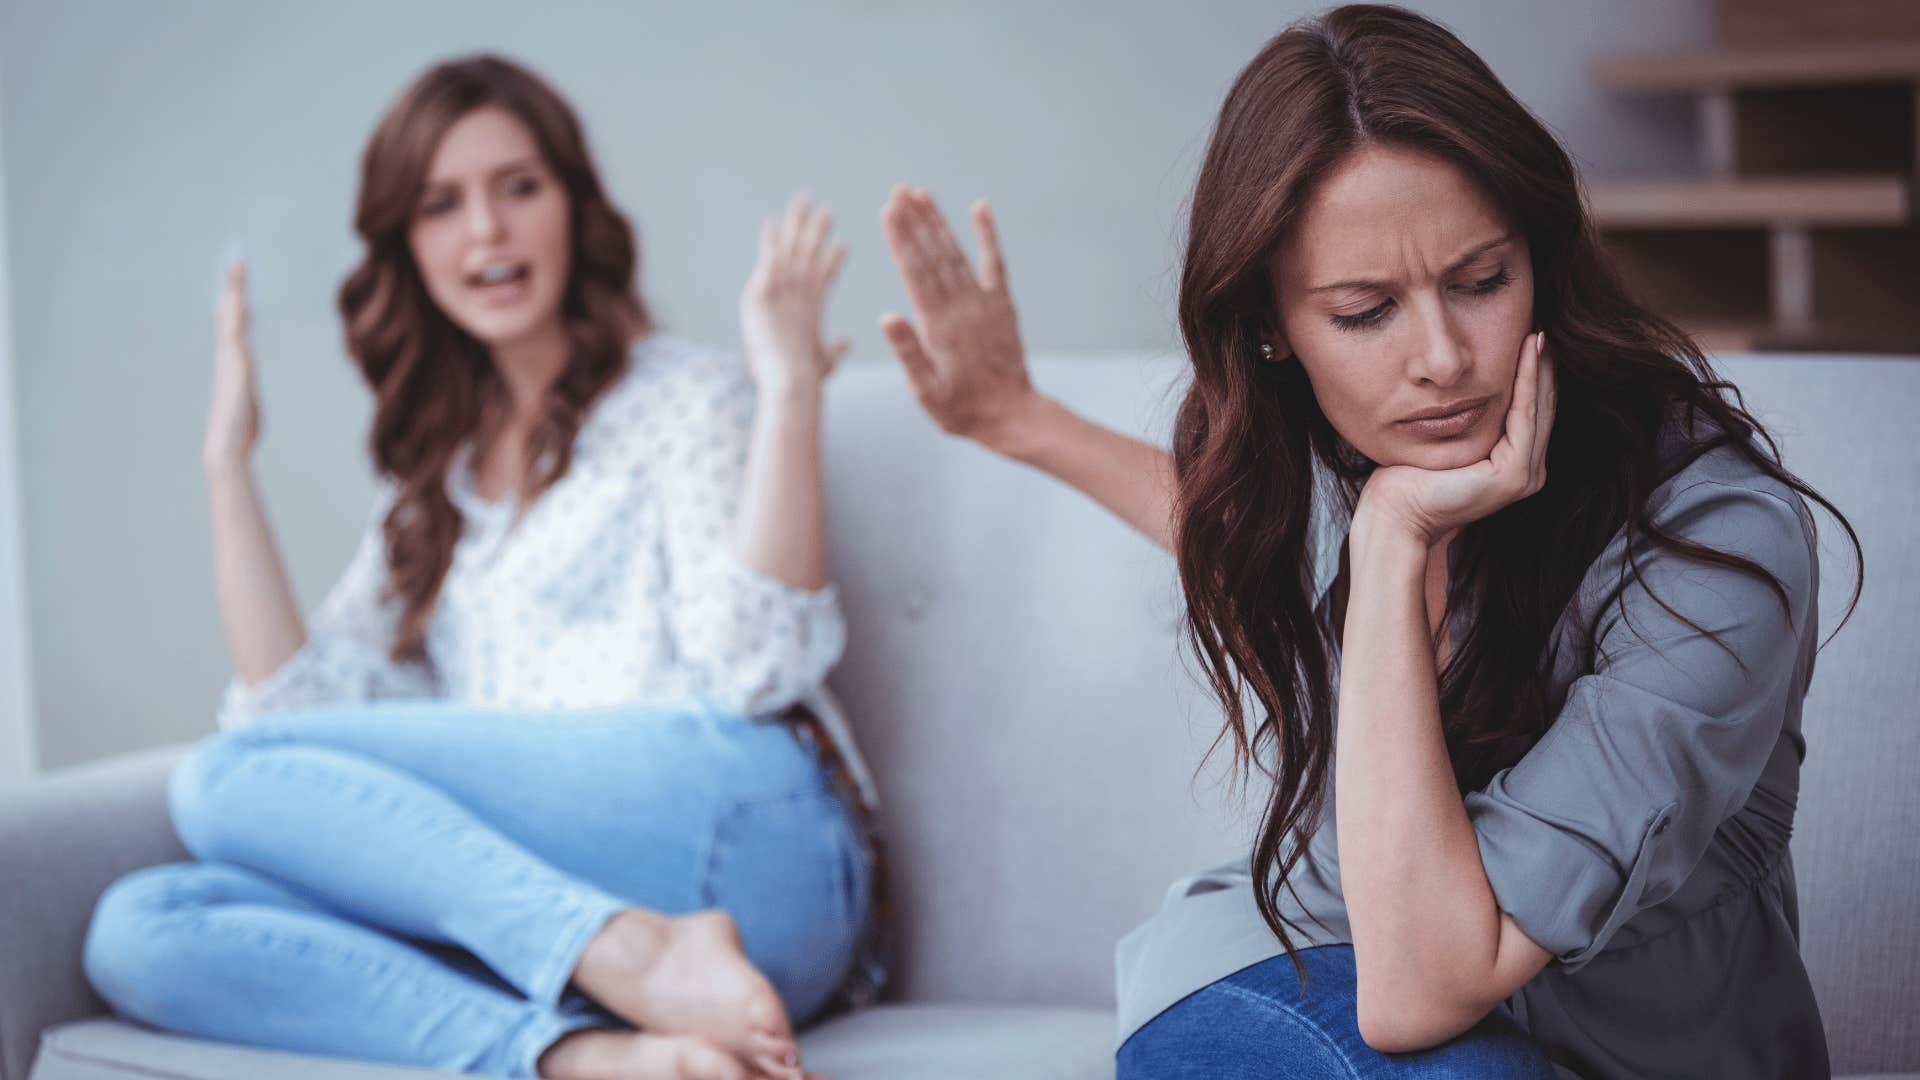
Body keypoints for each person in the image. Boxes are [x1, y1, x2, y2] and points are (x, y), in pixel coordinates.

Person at [873, 6, 1859, 1077]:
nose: (1443, 358)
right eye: (1364, 312)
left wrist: (1390, 543)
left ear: (1542, 260)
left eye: (1481, 281)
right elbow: (1226, 530)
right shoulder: (1354, 466)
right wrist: (1022, 421)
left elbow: (1426, 986)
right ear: (1270, 329)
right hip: (1289, 973)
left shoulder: (1716, 544)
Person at [82, 54, 880, 1080]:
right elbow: (296, 716)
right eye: (442, 205)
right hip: (571, 912)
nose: (487, 233)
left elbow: (755, 671)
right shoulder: (435, 482)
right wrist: (226, 469)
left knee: (222, 777)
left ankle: (627, 950)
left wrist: (787, 392)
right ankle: (578, 1054)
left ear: (575, 209)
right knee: (141, 925)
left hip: (758, 849)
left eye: (519, 188)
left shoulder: (687, 398)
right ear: (405, 246)